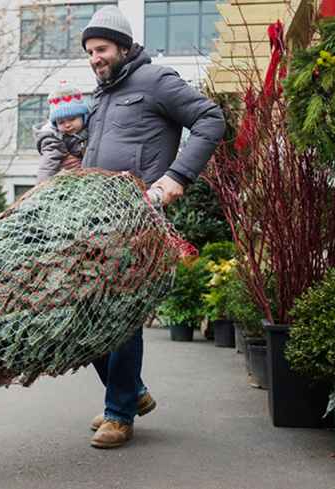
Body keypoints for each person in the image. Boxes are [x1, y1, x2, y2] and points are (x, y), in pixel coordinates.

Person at [79, 6, 226, 449]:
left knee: (121, 312)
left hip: (141, 216)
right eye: (89, 51)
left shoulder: (156, 81)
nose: (94, 58)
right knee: (83, 313)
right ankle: (133, 392)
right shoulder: (101, 95)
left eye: (101, 49)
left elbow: (211, 119)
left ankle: (119, 413)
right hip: (94, 218)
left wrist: (177, 177)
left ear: (123, 46)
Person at [34, 82, 90, 183]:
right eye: (61, 122)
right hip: (66, 182)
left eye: (72, 119)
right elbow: (47, 165)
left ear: (84, 117)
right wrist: (42, 186)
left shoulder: (92, 132)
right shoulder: (54, 140)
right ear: (55, 124)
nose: (67, 125)